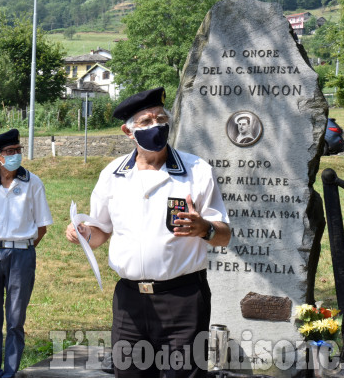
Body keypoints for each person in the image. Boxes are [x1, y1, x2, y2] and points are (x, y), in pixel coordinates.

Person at [66, 87, 231, 377]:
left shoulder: (197, 171)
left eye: (160, 119)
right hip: (129, 302)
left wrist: (203, 229)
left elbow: (224, 235)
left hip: (182, 299)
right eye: (145, 122)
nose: (155, 126)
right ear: (128, 132)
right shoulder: (113, 175)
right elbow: (101, 232)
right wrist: (82, 234)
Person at [0, 129, 53, 377]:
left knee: (16, 318)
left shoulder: (33, 182)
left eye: (18, 150)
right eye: (10, 152)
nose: (16, 155)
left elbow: (42, 227)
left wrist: (23, 249)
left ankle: (11, 371)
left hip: (21, 255)